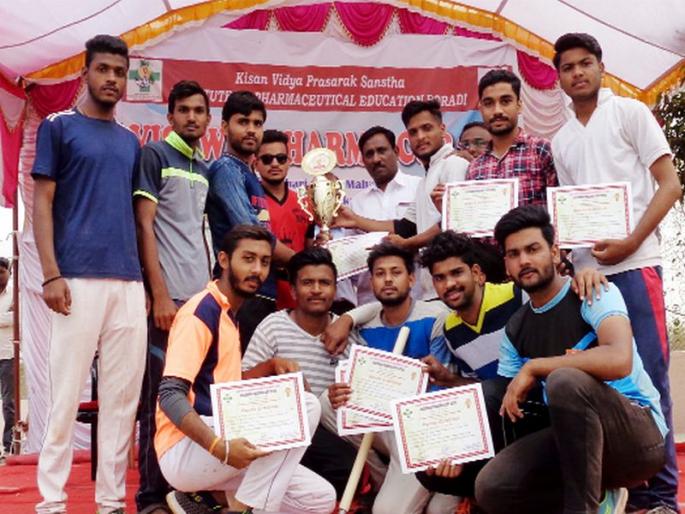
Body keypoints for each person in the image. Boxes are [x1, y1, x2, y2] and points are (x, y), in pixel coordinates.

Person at [552, 32, 682, 514]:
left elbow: (670, 185)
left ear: (601, 67)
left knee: (649, 377)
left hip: (636, 263)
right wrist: (574, 262)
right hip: (588, 280)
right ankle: (623, 489)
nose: (578, 73)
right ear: (559, 78)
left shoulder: (630, 113)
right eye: (568, 67)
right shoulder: (561, 139)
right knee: (601, 383)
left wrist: (631, 241)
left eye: (585, 63)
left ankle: (660, 497)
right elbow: (572, 217)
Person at [472, 206, 667, 514]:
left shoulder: (593, 290)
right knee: (492, 486)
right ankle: (600, 498)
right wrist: (453, 453)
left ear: (554, 252)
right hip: (575, 443)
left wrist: (537, 365)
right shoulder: (515, 329)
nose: (524, 261)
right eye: (513, 254)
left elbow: (619, 359)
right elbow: (511, 406)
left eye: (533, 249)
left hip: (637, 437)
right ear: (506, 265)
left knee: (565, 379)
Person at [32, 35, 146, 514]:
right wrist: (50, 274)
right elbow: (42, 202)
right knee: (64, 395)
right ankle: (52, 502)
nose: (112, 79)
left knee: (122, 400)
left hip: (129, 282)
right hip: (75, 279)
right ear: (85, 73)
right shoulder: (58, 127)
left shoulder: (130, 142)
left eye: (120, 72)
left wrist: (145, 284)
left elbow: (137, 218)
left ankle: (111, 501)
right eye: (104, 69)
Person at [156, 225, 335, 514]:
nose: (257, 270)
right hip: (188, 447)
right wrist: (219, 447)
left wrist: (270, 368)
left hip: (220, 437)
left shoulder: (228, 312)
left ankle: (222, 503)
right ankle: (249, 508)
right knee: (306, 406)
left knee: (318, 498)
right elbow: (169, 395)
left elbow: (225, 388)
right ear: (224, 260)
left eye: (265, 262)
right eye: (248, 259)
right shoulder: (201, 312)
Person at [322, 243, 459, 514]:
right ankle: (381, 477)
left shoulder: (436, 318)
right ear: (371, 280)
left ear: (411, 279)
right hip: (385, 426)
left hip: (422, 430)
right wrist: (348, 318)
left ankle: (435, 488)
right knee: (327, 402)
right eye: (379, 273)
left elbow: (442, 389)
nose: (387, 279)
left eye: (396, 272)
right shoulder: (363, 327)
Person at [133, 80, 212, 514]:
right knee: (158, 403)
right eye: (184, 110)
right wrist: (159, 295)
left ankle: (183, 490)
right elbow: (144, 225)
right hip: (169, 305)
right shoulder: (155, 155)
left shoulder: (203, 167)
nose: (192, 117)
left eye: (199, 111)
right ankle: (150, 498)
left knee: (192, 402)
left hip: (198, 304)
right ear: (170, 117)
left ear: (208, 118)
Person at [242, 247, 360, 498]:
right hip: (278, 424)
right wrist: (272, 368)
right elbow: (240, 383)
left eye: (324, 283)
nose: (316, 289)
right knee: (340, 462)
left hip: (329, 432)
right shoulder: (273, 326)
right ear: (293, 291)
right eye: (307, 283)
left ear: (335, 289)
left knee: (347, 465)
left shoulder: (348, 335)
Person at [334, 100, 470, 299]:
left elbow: (452, 223)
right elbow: (406, 226)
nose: (420, 137)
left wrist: (408, 244)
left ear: (442, 129)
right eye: (413, 132)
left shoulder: (454, 164)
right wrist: (356, 221)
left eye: (427, 128)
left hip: (454, 282)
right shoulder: (426, 179)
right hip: (433, 288)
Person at [205, 91, 295, 351]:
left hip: (259, 290)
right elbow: (253, 234)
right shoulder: (227, 169)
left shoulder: (248, 174)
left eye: (257, 123)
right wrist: (300, 262)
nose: (251, 130)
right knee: (240, 371)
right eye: (243, 122)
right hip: (239, 291)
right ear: (224, 127)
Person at [342, 126, 422, 306]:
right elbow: (351, 262)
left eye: (381, 151)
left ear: (396, 151)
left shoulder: (419, 188)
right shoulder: (357, 203)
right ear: (363, 161)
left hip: (419, 298)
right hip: (371, 304)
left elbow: (426, 238)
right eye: (369, 154)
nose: (376, 159)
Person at [459, 69, 557, 208]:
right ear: (481, 109)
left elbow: (559, 208)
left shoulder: (541, 150)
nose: (497, 111)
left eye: (505, 101)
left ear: (519, 106)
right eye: (489, 103)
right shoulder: (475, 168)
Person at [254, 129, 314, 310]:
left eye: (280, 158)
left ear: (289, 161)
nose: (274, 164)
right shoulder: (250, 201)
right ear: (256, 163)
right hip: (260, 295)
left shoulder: (305, 202)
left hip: (300, 296)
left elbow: (310, 247)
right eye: (267, 159)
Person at [0, 257, 14, 457]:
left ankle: (9, 445)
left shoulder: (15, 295)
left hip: (8, 355)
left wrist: (10, 317)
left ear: (9, 273)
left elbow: (17, 317)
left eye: (1, 271)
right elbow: (8, 318)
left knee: (8, 402)